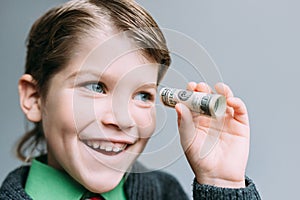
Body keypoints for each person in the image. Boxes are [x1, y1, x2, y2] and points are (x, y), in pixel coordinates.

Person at [0, 0, 261, 199]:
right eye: (96, 87)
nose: (122, 119)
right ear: (34, 98)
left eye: (142, 95)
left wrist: (222, 182)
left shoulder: (165, 193)